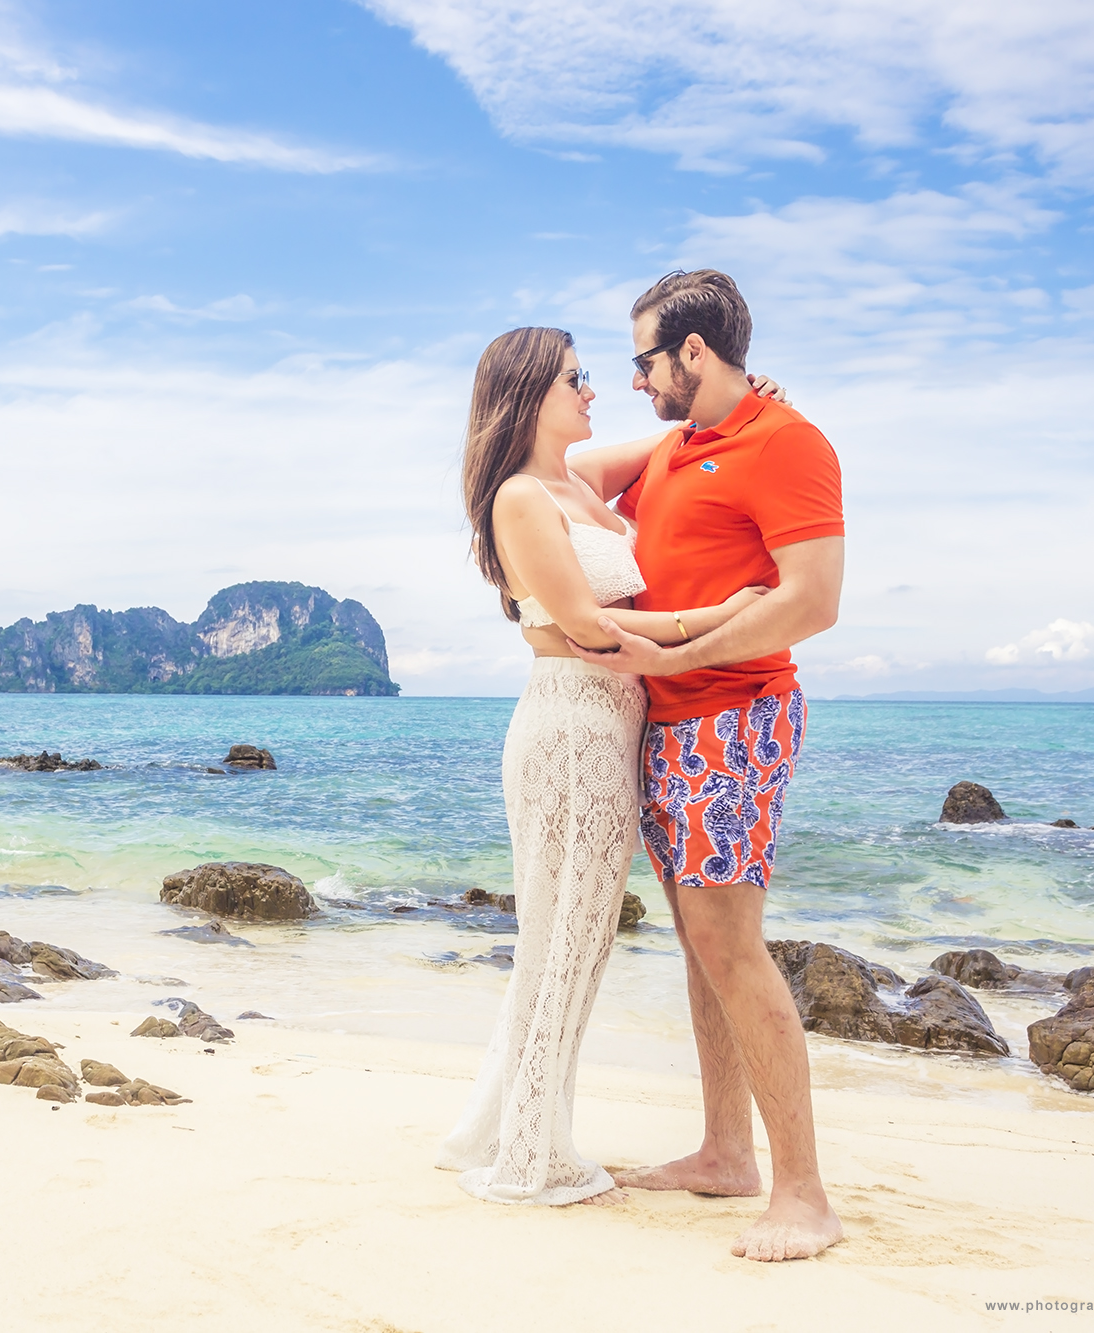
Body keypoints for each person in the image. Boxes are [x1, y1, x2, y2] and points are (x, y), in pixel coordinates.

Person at [436, 325, 780, 1207]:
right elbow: (587, 626)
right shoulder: (522, 496)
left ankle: (509, 1125)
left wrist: (751, 397)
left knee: (574, 939)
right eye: (574, 378)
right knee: (566, 937)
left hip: (610, 723)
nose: (593, 390)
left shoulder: (579, 480)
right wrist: (721, 615)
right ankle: (533, 1150)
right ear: (528, 395)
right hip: (571, 729)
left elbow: (683, 433)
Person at [568, 269, 846, 1262]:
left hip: (735, 717)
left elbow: (812, 600)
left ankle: (803, 1195)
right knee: (698, 942)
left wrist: (677, 657)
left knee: (730, 944)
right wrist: (690, 415)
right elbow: (565, 466)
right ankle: (727, 1152)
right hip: (668, 720)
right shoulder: (677, 448)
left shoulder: (788, 442)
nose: (632, 379)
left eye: (644, 359)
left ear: (693, 350)